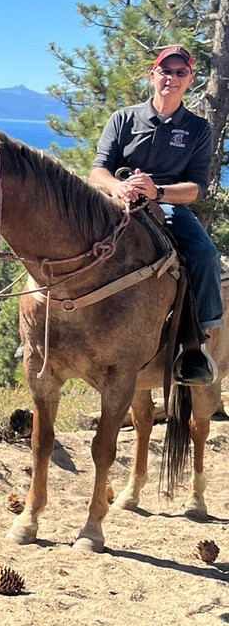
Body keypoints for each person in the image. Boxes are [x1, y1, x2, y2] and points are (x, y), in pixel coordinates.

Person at [90, 46, 220, 384]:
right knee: (67, 234)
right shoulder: (124, 118)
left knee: (205, 254)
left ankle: (195, 346)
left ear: (189, 80)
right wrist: (116, 189)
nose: (171, 78)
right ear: (153, 76)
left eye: (180, 73)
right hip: (116, 200)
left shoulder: (197, 129)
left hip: (166, 205)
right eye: (165, 71)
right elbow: (97, 170)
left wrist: (158, 192)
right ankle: (46, 322)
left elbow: (196, 187)